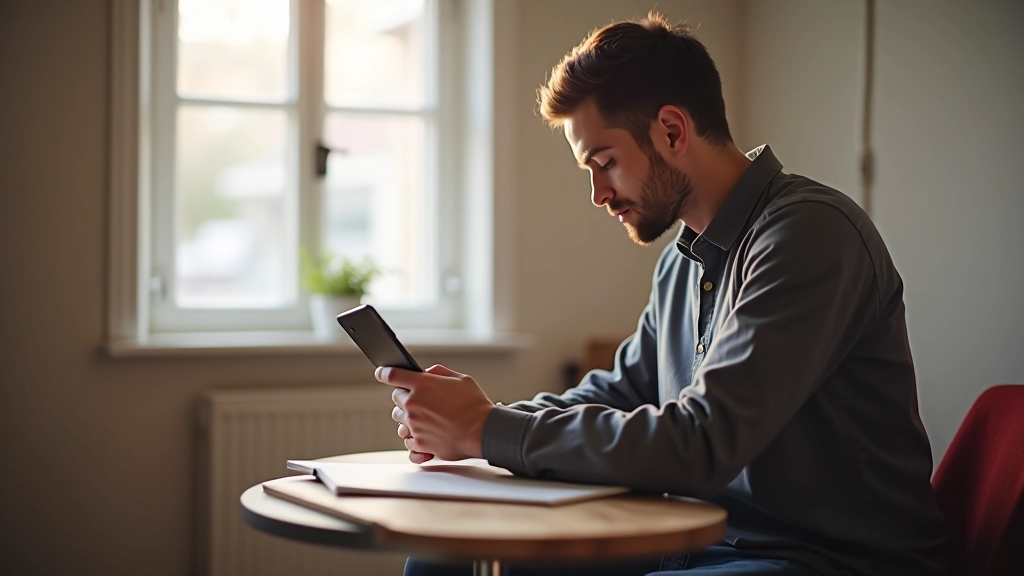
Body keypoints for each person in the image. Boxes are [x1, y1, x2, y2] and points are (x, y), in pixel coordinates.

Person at [376, 12, 949, 576]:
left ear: (672, 131)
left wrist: (487, 431)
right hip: (697, 544)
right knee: (445, 556)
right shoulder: (684, 259)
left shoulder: (810, 236)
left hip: (822, 558)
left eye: (605, 163)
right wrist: (483, 418)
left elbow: (701, 442)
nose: (598, 194)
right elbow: (622, 391)